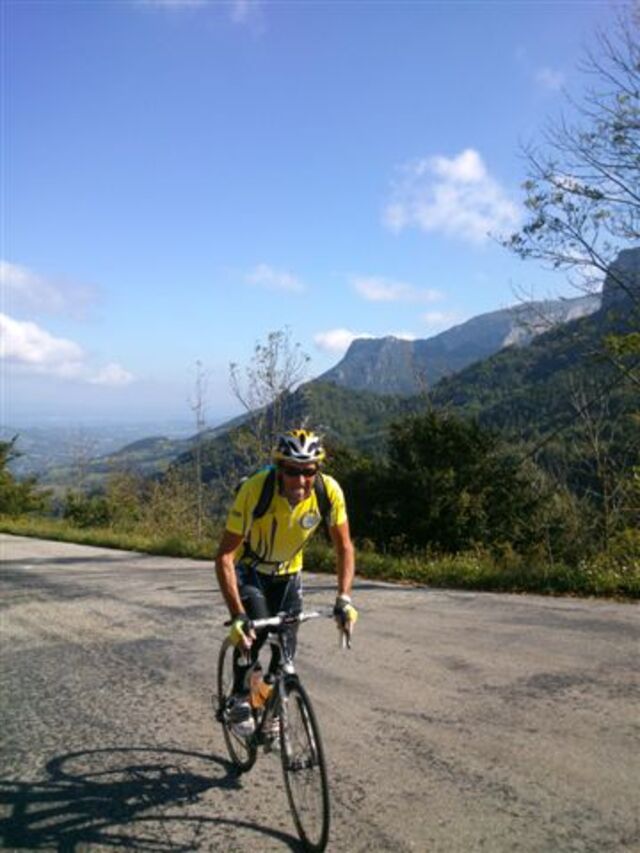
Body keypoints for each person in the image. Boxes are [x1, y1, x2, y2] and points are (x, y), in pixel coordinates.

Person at [215, 428, 358, 737]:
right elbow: (225, 556)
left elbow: (344, 547)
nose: (301, 480)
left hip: (290, 573)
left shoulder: (327, 491)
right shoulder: (256, 490)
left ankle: (268, 697)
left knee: (286, 651)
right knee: (256, 633)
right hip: (251, 570)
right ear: (279, 469)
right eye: (293, 471)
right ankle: (239, 697)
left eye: (309, 471)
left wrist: (344, 598)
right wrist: (238, 616)